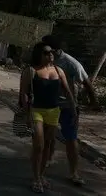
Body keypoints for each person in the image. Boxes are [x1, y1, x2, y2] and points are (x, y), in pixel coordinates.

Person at [20, 42, 77, 193]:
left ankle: (41, 175)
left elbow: (68, 92)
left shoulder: (58, 71)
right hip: (36, 110)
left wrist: (74, 112)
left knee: (48, 144)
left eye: (51, 52)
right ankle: (36, 178)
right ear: (39, 54)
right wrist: (27, 114)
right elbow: (24, 94)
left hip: (53, 111)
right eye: (46, 52)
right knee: (39, 145)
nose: (50, 54)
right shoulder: (30, 71)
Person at [42, 34, 98, 186]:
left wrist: (93, 102)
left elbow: (86, 83)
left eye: (46, 49)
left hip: (68, 107)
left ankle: (74, 172)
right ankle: (48, 159)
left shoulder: (71, 63)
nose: (44, 52)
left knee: (71, 139)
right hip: (50, 105)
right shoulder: (44, 59)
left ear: (55, 50)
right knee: (48, 136)